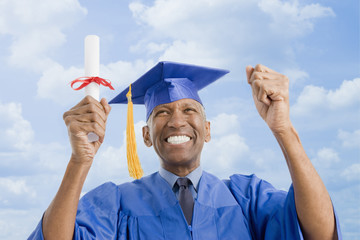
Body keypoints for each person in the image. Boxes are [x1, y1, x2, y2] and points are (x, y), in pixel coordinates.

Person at [29, 62, 341, 239]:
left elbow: (319, 230)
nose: (177, 121)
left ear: (207, 130)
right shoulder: (115, 202)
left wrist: (284, 130)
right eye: (162, 113)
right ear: (147, 136)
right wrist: (80, 160)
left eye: (190, 109)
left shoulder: (247, 197)